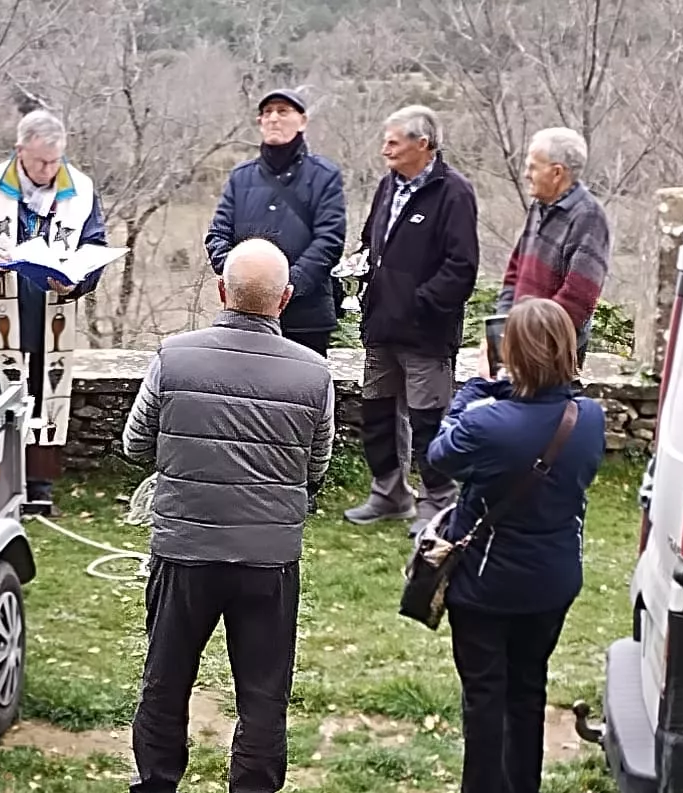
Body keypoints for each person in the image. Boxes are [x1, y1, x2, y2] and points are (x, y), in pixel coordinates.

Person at [121, 240, 335, 793]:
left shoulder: (173, 357)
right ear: (286, 300)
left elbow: (138, 444)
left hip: (183, 548)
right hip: (268, 556)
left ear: (221, 292)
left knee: (167, 679)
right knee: (263, 691)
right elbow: (314, 466)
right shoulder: (312, 374)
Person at [422, 298, 607, 793]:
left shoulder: (484, 421)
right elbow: (539, 420)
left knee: (485, 697)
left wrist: (475, 388)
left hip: (486, 583)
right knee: (527, 691)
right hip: (552, 578)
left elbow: (438, 455)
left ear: (509, 355)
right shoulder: (589, 419)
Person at [0, 110, 110, 514]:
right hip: (3, 315)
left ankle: (39, 489)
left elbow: (95, 245)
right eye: (42, 161)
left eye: (56, 160)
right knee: (1, 402)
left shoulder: (80, 188)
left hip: (52, 314)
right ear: (20, 151)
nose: (49, 169)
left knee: (48, 401)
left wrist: (78, 281)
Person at [342, 106, 479, 535]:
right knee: (378, 413)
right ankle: (389, 494)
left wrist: (419, 303)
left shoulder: (454, 193)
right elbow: (371, 241)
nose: (385, 148)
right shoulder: (387, 186)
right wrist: (359, 271)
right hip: (381, 326)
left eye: (393, 141)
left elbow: (462, 267)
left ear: (423, 144)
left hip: (426, 334)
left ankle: (437, 503)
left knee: (428, 422)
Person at [203, 86, 347, 357]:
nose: (273, 118)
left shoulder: (324, 175)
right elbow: (217, 235)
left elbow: (329, 241)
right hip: (243, 317)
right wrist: (243, 281)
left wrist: (284, 286)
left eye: (283, 111)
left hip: (306, 320)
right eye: (267, 112)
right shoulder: (241, 177)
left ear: (302, 121)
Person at [496, 127, 613, 359]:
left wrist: (527, 339)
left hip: (550, 355)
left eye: (532, 167)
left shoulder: (589, 217)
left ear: (557, 172)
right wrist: (501, 329)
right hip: (519, 345)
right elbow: (514, 273)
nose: (526, 174)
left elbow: (577, 299)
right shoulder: (539, 206)